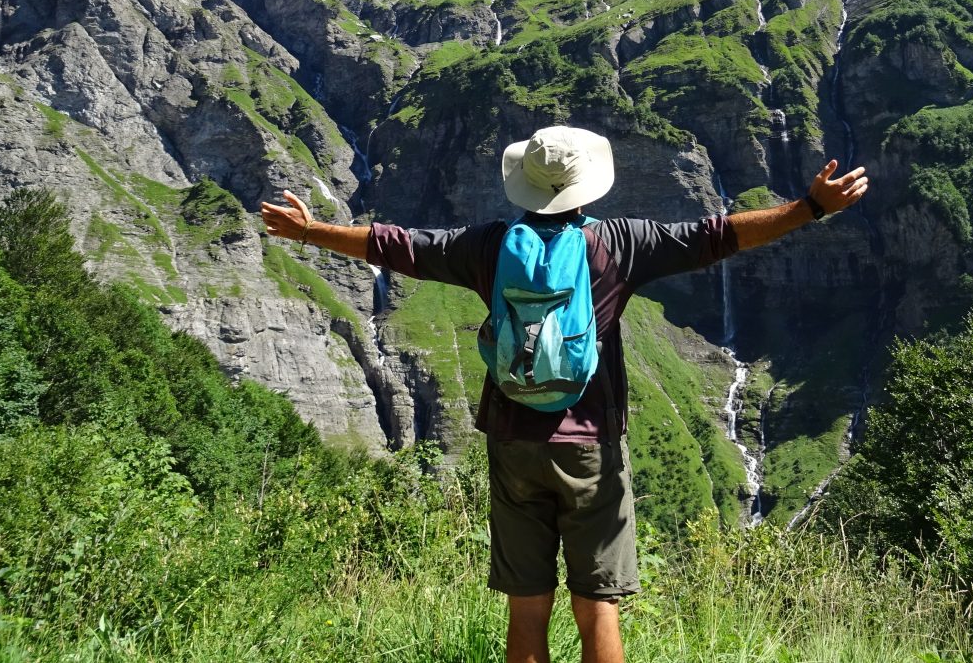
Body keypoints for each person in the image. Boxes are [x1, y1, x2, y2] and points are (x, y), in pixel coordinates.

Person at [261, 125, 869, 663]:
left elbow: (395, 245)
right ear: (587, 186)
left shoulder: (488, 246)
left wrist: (310, 230)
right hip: (591, 448)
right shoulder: (621, 244)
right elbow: (719, 235)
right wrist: (811, 206)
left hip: (513, 441)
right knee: (598, 606)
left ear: (524, 183)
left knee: (527, 609)